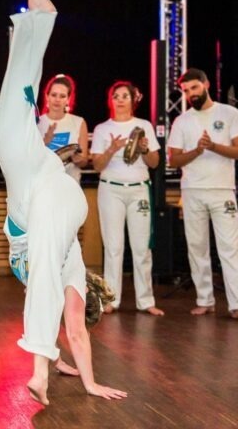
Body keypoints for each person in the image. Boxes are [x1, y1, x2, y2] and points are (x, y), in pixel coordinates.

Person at [0, 0, 127, 405]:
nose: (82, 297)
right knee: (48, 265)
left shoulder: (62, 277)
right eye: (86, 295)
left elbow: (71, 327)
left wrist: (70, 367)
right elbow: (75, 329)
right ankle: (39, 368)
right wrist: (88, 382)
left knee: (10, 118)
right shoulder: (71, 272)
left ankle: (36, 20)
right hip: (56, 191)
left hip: (33, 189)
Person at [169, 68, 238, 319]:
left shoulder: (229, 113)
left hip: (222, 190)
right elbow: (174, 160)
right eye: (186, 91)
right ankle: (205, 299)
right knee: (197, 248)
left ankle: (236, 303)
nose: (190, 94)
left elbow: (237, 151)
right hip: (192, 190)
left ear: (206, 84)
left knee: (230, 247)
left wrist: (213, 146)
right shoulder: (182, 120)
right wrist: (197, 151)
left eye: (194, 88)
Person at [90, 81, 164, 316]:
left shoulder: (143, 126)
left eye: (125, 96)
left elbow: (154, 163)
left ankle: (146, 301)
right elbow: (97, 165)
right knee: (113, 247)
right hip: (110, 189)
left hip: (139, 190)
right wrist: (112, 149)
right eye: (116, 96)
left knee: (142, 248)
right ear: (110, 101)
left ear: (133, 100)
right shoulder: (103, 128)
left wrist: (144, 149)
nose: (120, 99)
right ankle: (111, 299)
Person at [37, 74, 89, 182]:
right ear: (47, 97)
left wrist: (78, 159)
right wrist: (44, 142)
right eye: (54, 95)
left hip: (70, 183)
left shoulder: (79, 122)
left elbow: (84, 161)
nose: (57, 99)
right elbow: (30, 159)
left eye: (62, 96)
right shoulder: (37, 123)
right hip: (43, 183)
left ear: (68, 99)